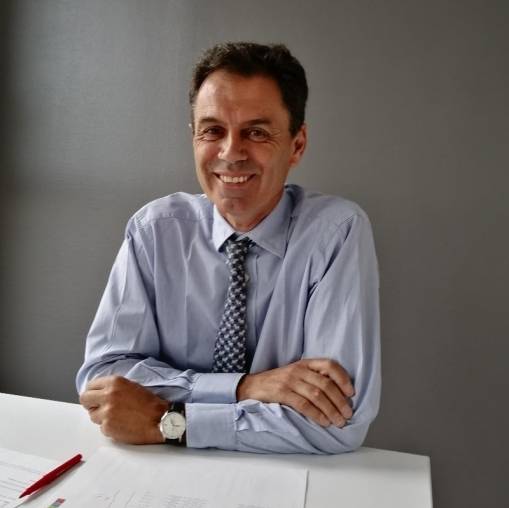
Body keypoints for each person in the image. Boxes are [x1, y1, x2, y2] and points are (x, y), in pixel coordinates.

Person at [77, 42, 380, 454]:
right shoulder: (155, 231)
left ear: (297, 144)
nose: (231, 152)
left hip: (283, 477)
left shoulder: (335, 234)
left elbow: (337, 421)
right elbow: (103, 383)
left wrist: (167, 421)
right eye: (213, 130)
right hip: (155, 470)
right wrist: (244, 387)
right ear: (194, 137)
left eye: (256, 132)